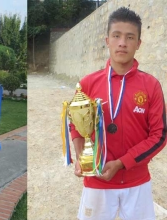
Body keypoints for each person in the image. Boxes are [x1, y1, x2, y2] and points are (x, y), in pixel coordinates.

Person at [70, 7, 167, 220]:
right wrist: (81, 158)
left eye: (130, 37)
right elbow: (75, 125)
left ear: (138, 44)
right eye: (116, 36)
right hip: (97, 180)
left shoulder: (151, 86)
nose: (122, 42)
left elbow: (159, 136)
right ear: (107, 40)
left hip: (137, 182)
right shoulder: (88, 83)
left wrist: (123, 162)